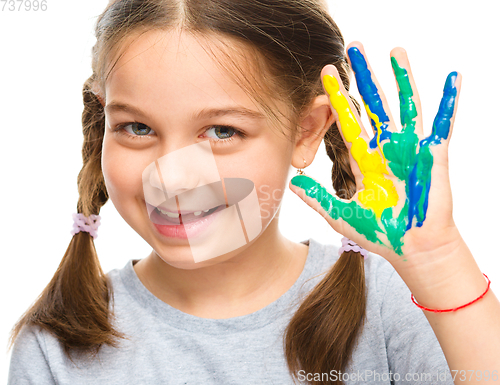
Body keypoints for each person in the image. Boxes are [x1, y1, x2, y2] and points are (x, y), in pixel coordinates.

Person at [7, 0, 500, 384]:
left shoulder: (389, 304)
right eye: (136, 127)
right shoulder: (56, 347)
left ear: (306, 131)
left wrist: (438, 262)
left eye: (222, 131)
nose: (173, 178)